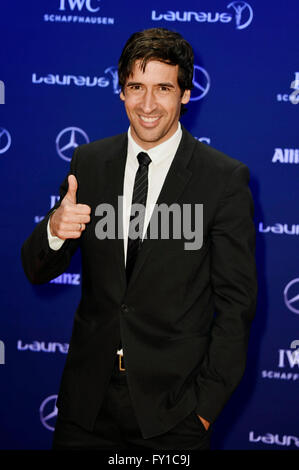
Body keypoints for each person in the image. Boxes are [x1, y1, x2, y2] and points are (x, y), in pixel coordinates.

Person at [21, 28, 257, 450]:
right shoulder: (89, 163)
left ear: (185, 94)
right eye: (136, 87)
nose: (148, 105)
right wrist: (54, 231)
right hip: (85, 408)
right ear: (121, 92)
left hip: (174, 414)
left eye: (163, 88)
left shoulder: (223, 179)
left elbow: (236, 307)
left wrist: (203, 410)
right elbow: (36, 269)